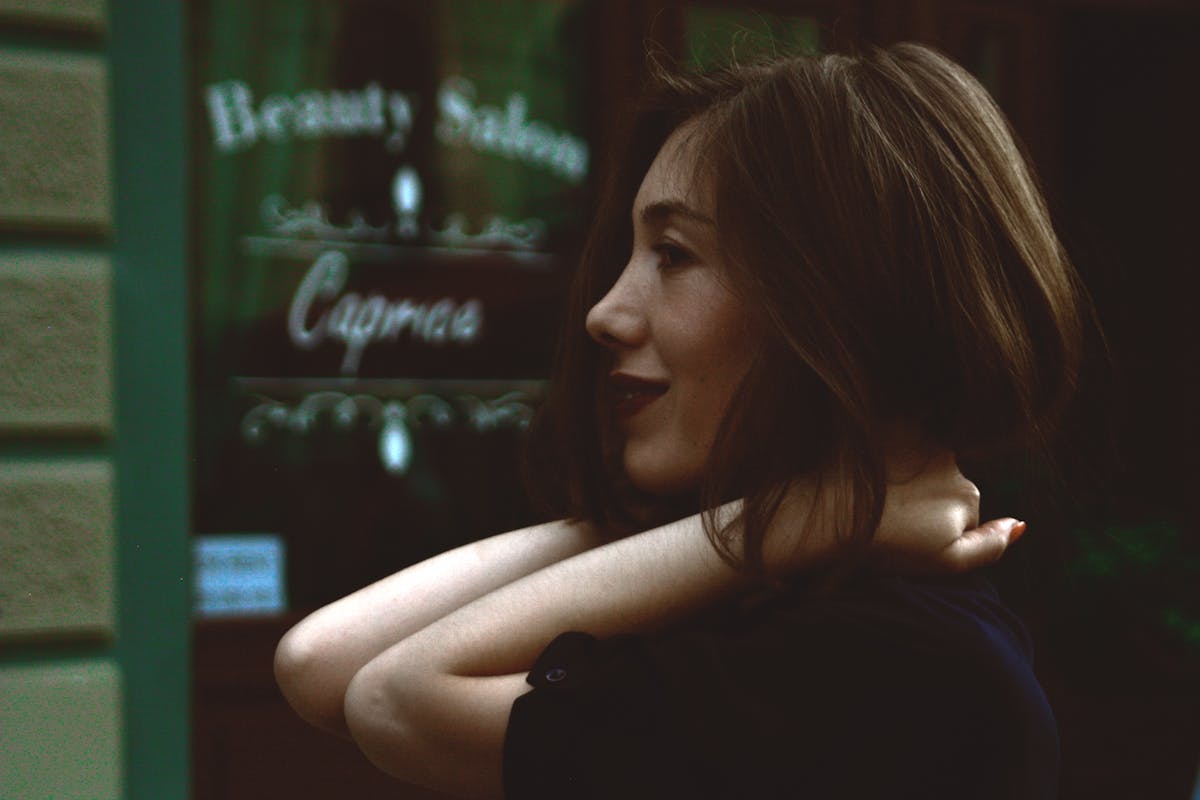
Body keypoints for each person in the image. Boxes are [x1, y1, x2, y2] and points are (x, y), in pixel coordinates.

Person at [275, 42, 1084, 799]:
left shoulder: (899, 661)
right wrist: (786, 521)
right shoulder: (771, 594)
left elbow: (396, 699)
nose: (604, 313)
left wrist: (789, 521)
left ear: (846, 296)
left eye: (673, 255)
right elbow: (322, 663)